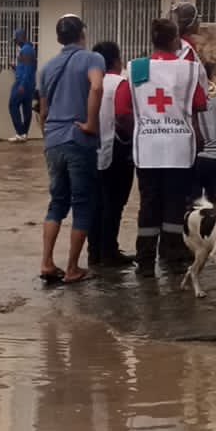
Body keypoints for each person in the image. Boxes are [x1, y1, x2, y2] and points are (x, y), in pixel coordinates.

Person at [130, 18, 208, 275]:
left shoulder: (137, 67)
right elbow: (198, 104)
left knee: (149, 204)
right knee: (175, 204)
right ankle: (173, 257)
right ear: (176, 40)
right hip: (179, 147)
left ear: (152, 40)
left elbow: (122, 109)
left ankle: (144, 262)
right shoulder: (188, 69)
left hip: (147, 148)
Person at [36, 15, 104, 285]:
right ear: (82, 33)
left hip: (53, 140)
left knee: (57, 202)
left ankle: (46, 262)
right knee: (83, 203)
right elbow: (97, 86)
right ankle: (73, 267)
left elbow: (43, 111)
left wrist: (49, 136)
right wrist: (90, 123)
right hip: (78, 140)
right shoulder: (92, 59)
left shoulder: (47, 68)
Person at [89, 41, 136, 268]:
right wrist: (134, 134)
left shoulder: (89, 83)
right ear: (117, 61)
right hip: (117, 150)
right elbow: (124, 115)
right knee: (115, 202)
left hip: (90, 149)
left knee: (95, 202)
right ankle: (109, 251)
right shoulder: (120, 83)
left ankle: (94, 253)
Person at [195, 62, 216, 210]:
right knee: (214, 200)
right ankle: (215, 231)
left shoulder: (187, 95)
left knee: (192, 202)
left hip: (194, 156)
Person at [7, 28, 37, 142]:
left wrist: (22, 84)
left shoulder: (26, 50)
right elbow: (26, 67)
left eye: (16, 39)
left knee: (12, 104)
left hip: (23, 82)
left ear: (21, 37)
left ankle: (20, 132)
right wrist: (15, 67)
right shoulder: (28, 49)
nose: (15, 42)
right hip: (29, 82)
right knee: (26, 108)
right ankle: (24, 133)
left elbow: (28, 69)